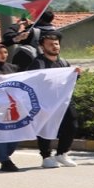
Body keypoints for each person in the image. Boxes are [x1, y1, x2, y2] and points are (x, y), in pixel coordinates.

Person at [26, 31, 80, 169]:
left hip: (63, 100)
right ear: (43, 47)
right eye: (50, 44)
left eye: (56, 44)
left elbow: (68, 81)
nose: (54, 46)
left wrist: (76, 74)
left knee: (72, 124)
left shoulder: (63, 62)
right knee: (46, 127)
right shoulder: (38, 63)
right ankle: (46, 156)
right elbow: (33, 80)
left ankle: (62, 153)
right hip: (46, 102)